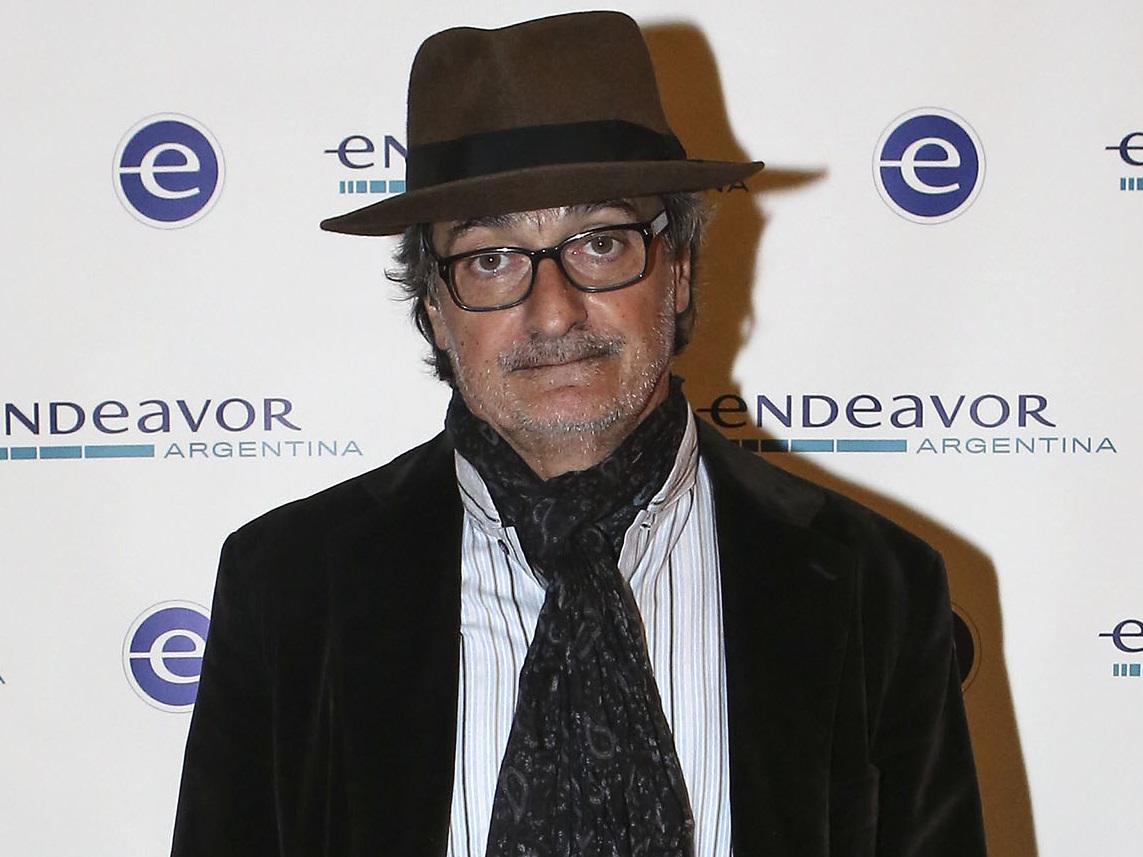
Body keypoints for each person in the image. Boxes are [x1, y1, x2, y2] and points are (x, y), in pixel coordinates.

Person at [170, 10, 986, 857]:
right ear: (434, 308)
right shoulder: (289, 588)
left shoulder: (873, 588)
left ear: (677, 271)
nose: (553, 311)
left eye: (599, 242)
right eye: (490, 258)